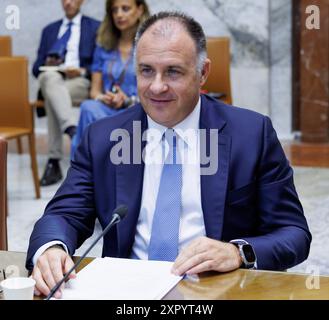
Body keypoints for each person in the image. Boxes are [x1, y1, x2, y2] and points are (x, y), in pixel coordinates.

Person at [26, 11, 311, 299]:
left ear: (203, 73)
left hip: (216, 292)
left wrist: (238, 252)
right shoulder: (103, 138)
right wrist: (51, 247)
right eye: (146, 70)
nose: (157, 86)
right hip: (126, 293)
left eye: (173, 71)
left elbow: (293, 233)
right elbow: (64, 214)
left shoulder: (252, 135)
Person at [70, 0, 150, 158]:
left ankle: (101, 168)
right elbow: (94, 91)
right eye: (114, 10)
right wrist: (104, 98)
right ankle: (82, 172)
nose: (119, 14)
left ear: (140, 10)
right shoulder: (104, 46)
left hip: (138, 107)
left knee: (105, 126)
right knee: (88, 107)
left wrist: (127, 100)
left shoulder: (150, 46)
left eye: (125, 9)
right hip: (109, 108)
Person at [32, 0, 100, 186]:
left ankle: (53, 162)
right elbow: (36, 68)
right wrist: (49, 64)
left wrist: (81, 71)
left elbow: (98, 63)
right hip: (54, 79)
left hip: (80, 81)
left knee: (52, 96)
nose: (68, 2)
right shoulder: (49, 30)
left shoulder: (95, 27)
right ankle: (71, 128)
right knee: (49, 79)